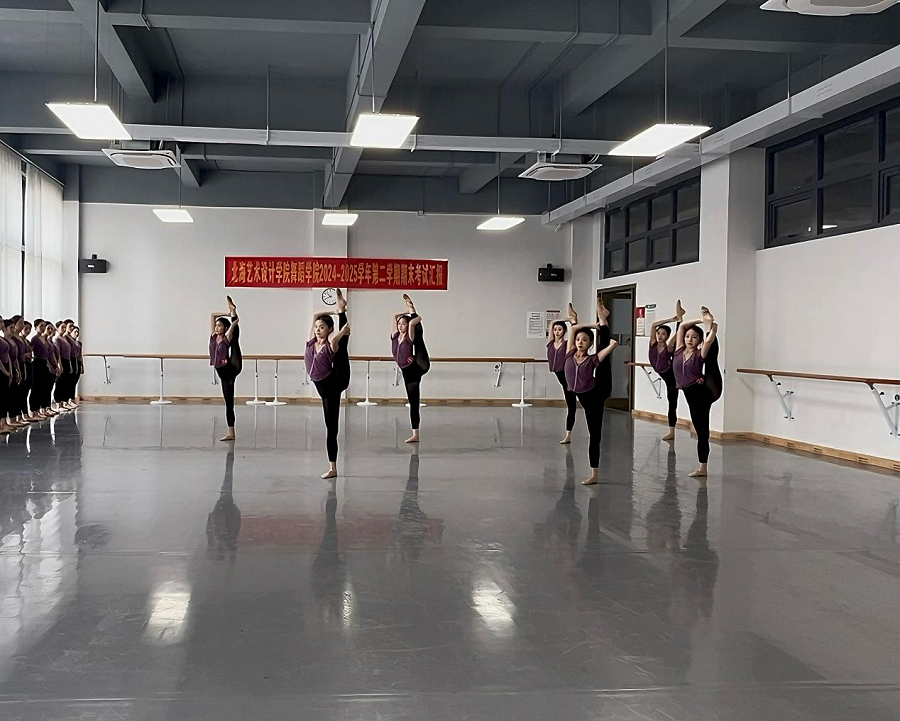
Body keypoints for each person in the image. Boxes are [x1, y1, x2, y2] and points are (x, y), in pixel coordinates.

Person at [565, 299, 618, 486]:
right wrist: (590, 325)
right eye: (578, 339)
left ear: (589, 343)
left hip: (597, 394)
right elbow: (573, 329)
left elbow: (606, 350)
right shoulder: (570, 353)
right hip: (584, 396)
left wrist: (612, 345)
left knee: (594, 435)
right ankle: (603, 319)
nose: (580, 342)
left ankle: (594, 474)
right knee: (593, 435)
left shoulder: (591, 358)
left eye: (585, 340)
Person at [305, 288, 351, 479]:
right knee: (328, 425)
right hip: (323, 389)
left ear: (329, 330)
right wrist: (335, 309)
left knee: (332, 428)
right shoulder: (310, 343)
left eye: (322, 327)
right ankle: (342, 309)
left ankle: (333, 467)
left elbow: (339, 336)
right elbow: (315, 314)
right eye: (317, 327)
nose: (318, 329)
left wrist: (342, 328)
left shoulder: (329, 344)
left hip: (335, 383)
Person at [674, 306, 720, 478]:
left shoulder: (699, 354)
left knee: (711, 360)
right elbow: (681, 326)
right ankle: (703, 467)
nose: (689, 339)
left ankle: (703, 468)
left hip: (705, 392)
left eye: (694, 337)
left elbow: (708, 343)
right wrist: (698, 320)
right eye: (687, 336)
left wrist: (710, 329)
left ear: (699, 340)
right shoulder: (678, 350)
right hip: (691, 394)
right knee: (700, 431)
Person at [391, 293, 431, 444]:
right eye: (399, 324)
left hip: (418, 365)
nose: (400, 326)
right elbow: (394, 317)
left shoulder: (409, 336)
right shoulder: (395, 337)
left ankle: (416, 434)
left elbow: (416, 321)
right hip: (407, 372)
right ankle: (415, 434)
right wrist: (404, 312)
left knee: (419, 339)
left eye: (403, 324)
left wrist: (412, 311)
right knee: (413, 402)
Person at [648, 300, 685, 441]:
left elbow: (679, 335)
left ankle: (671, 432)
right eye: (659, 333)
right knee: (671, 403)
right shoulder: (653, 344)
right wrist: (671, 319)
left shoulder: (668, 347)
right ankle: (679, 317)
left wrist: (679, 322)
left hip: (671, 378)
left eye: (663, 334)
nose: (660, 336)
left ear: (667, 336)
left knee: (672, 403)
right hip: (665, 375)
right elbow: (653, 325)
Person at [209, 296, 242, 442]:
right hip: (222, 372)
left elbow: (234, 325)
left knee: (229, 403)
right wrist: (227, 312)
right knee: (227, 401)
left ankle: (231, 433)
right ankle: (231, 433)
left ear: (225, 328)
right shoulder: (213, 337)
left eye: (220, 326)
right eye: (216, 326)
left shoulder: (226, 338)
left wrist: (233, 318)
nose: (217, 328)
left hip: (231, 369)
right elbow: (212, 315)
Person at [548, 303, 579, 445]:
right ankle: (568, 435)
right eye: (555, 330)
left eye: (559, 329)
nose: (556, 332)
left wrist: (572, 322)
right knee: (571, 405)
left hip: (568, 377)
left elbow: (574, 334)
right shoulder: (550, 343)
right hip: (562, 378)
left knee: (571, 406)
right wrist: (567, 318)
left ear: (564, 331)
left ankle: (568, 435)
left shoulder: (566, 344)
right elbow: (552, 323)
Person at [28, 320, 50, 421]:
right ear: (36, 327)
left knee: (42, 387)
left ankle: (39, 409)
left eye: (44, 326)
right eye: (41, 326)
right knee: (36, 387)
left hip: (44, 363)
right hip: (37, 363)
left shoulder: (44, 339)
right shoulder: (35, 339)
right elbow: (30, 349)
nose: (43, 328)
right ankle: (33, 410)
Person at [0, 315, 14, 434]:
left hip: (5, 368)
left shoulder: (2, 339)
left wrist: (10, 370)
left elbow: (7, 355)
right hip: (1, 370)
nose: (1, 324)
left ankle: (3, 422)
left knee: (4, 397)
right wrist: (5, 371)